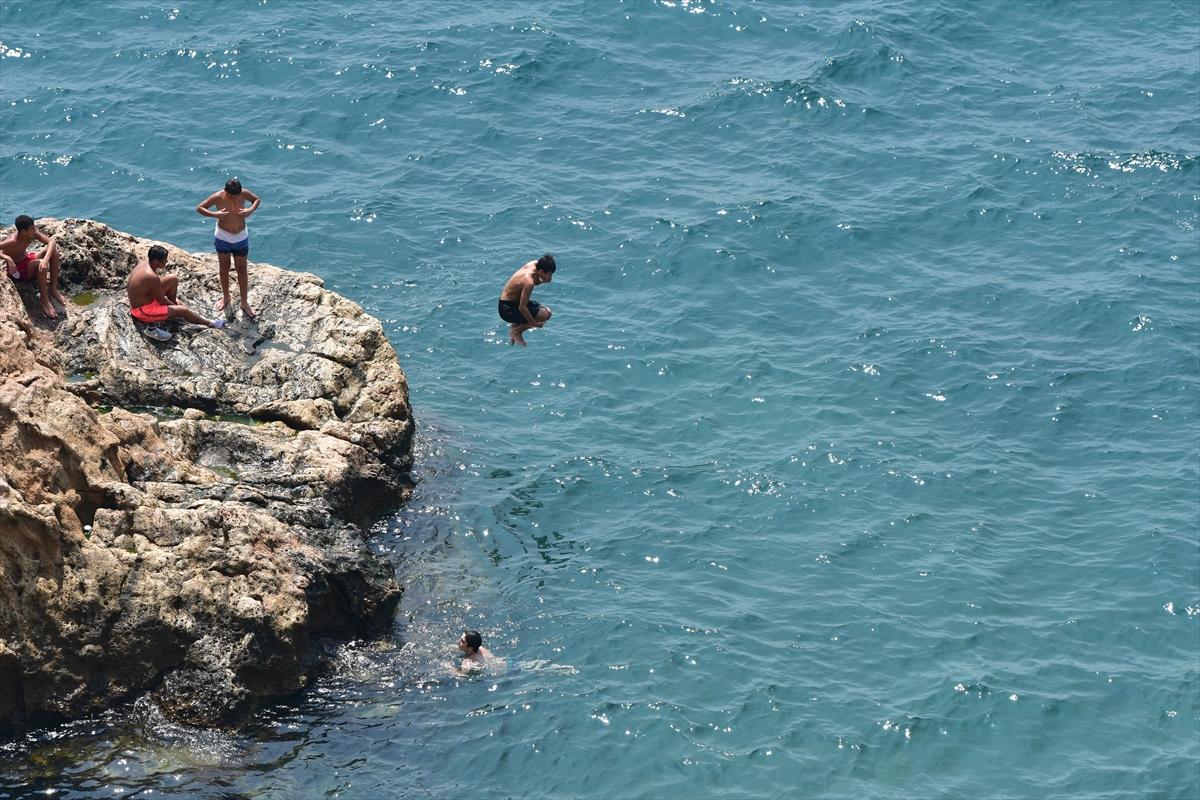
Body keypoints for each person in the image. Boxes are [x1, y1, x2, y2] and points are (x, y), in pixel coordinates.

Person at [127, 245, 226, 339]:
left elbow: (153, 290)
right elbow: (161, 300)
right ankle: (211, 323)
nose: (166, 261)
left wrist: (171, 304)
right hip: (142, 311)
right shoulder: (151, 276)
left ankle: (172, 309)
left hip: (145, 299)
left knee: (172, 278)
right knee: (183, 310)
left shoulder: (145, 264)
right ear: (156, 261)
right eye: (164, 259)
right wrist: (177, 309)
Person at [196, 177, 260, 319]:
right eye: (232, 196)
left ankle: (244, 302)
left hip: (240, 237)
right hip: (223, 236)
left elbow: (257, 200)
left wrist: (250, 210)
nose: (235, 198)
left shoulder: (243, 193)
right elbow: (199, 208)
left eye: (237, 195)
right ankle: (226, 296)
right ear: (226, 191)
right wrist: (215, 214)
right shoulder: (218, 196)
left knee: (241, 270)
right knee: (224, 267)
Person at [1, 215, 65, 319]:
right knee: (41, 264)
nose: (34, 230)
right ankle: (44, 299)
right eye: (31, 229)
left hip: (28, 259)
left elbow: (51, 242)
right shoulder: (13, 241)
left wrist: (46, 259)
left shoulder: (32, 233)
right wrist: (7, 258)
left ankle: (53, 288)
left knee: (54, 252)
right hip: (17, 270)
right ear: (22, 231)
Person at [498, 253, 555, 346]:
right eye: (549, 275)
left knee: (548, 312)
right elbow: (522, 308)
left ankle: (515, 327)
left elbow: (536, 281)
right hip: (506, 309)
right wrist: (534, 324)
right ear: (541, 272)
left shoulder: (534, 264)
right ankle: (516, 332)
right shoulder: (528, 282)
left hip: (514, 302)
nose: (550, 278)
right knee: (544, 316)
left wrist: (543, 280)